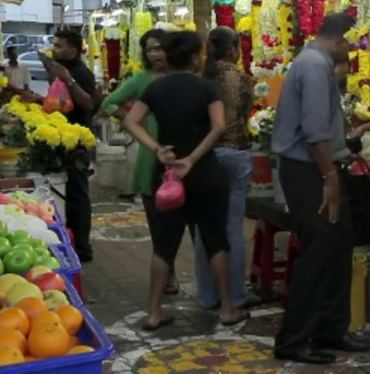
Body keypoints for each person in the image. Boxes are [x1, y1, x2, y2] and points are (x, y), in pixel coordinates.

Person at [123, 31, 248, 330]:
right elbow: (218, 127)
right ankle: (228, 309)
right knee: (215, 239)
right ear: (195, 57)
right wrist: (192, 159)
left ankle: (154, 311)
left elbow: (130, 121)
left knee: (164, 244)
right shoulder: (206, 88)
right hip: (204, 172)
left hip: (167, 176)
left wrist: (157, 149)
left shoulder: (156, 88)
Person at [271, 13, 370, 365]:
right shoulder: (314, 66)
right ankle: (294, 339)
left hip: (321, 167)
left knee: (338, 246)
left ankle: (332, 328)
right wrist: (329, 177)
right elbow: (314, 132)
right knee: (317, 253)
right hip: (310, 171)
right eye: (352, 42)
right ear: (342, 39)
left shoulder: (314, 61)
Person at [99, 28, 180, 294]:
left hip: (183, 156)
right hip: (151, 154)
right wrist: (134, 121)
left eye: (159, 48)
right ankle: (167, 273)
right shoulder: (142, 80)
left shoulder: (184, 77)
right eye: (149, 50)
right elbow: (109, 104)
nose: (155, 54)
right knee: (157, 219)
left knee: (180, 219)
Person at [195, 27, 257, 310]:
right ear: (233, 50)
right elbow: (244, 114)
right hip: (236, 152)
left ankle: (208, 296)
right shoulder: (244, 80)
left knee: (205, 227)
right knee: (233, 228)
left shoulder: (201, 78)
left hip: (205, 155)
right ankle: (236, 295)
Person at [45, 29, 98, 262]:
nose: (54, 50)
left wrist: (68, 78)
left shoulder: (79, 73)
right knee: (72, 194)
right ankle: (73, 240)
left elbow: (89, 103)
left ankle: (83, 248)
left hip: (78, 142)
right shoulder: (61, 70)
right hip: (64, 137)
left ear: (74, 50)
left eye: (59, 46)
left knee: (78, 194)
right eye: (54, 45)